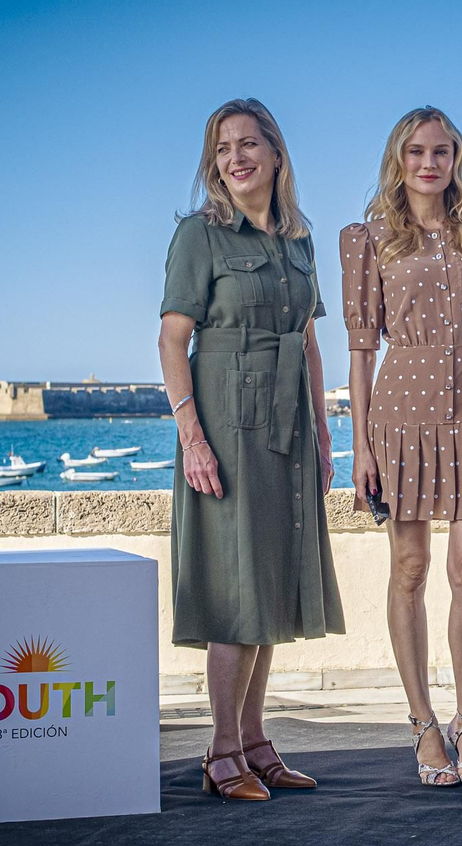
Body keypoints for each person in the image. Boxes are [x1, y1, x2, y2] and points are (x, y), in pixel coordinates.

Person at [158, 98, 344, 801]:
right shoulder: (198, 237)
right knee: (236, 590)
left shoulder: (300, 241)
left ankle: (258, 741)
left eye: (247, 143)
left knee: (270, 585)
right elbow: (173, 341)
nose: (235, 157)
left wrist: (326, 434)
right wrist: (192, 438)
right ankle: (221, 751)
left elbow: (309, 341)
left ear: (274, 152)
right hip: (226, 429)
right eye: (222, 148)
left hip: (290, 427)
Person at [341, 107, 462, 787]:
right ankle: (422, 723)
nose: (428, 163)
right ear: (399, 158)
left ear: (456, 159)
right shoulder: (369, 239)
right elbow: (362, 352)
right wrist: (359, 444)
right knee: (410, 569)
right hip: (401, 411)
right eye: (415, 151)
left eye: (440, 151)